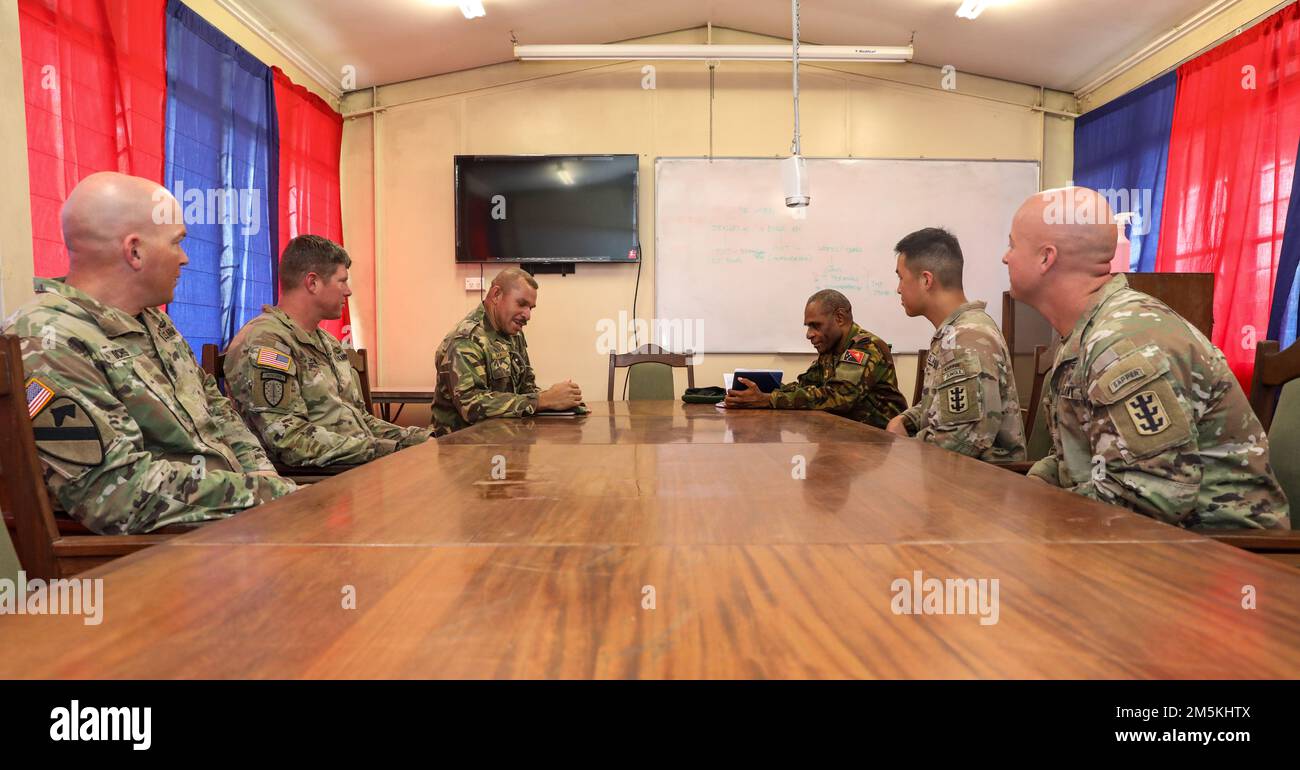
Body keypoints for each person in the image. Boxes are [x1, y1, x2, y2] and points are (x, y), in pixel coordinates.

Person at [4, 172, 295, 534]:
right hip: (155, 558)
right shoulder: (46, 340)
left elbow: (217, 410)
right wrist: (267, 495)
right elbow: (115, 494)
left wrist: (262, 474)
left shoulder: (155, 324)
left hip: (231, 521)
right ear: (135, 251)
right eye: (177, 243)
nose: (185, 258)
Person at [1004, 186, 1288, 529]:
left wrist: (1039, 522)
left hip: (1218, 557)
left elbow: (1148, 499)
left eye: (1012, 245)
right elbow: (1074, 461)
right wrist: (1030, 495)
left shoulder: (1125, 344)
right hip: (1148, 543)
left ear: (1046, 258)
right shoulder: (1087, 335)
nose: (1006, 257)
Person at [225, 235, 432, 466]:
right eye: (342, 281)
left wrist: (420, 439)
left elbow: (361, 422)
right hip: (315, 482)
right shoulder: (267, 342)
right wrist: (388, 450)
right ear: (312, 283)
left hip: (355, 465)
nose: (348, 291)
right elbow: (291, 441)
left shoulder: (328, 342)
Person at [885, 227, 1026, 463]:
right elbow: (946, 405)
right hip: (955, 478)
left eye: (901, 277)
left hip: (980, 486)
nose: (898, 288)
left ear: (926, 280)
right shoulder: (956, 332)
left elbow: (959, 440)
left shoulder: (967, 339)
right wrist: (905, 420)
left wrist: (903, 450)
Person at [432, 268, 583, 436]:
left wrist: (560, 402)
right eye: (522, 304)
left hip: (504, 442)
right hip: (460, 448)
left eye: (531, 308)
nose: (528, 315)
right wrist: (542, 400)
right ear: (496, 295)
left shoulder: (512, 334)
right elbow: (472, 407)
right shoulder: (466, 340)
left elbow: (527, 388)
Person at [724, 289, 906, 428]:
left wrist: (768, 399)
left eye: (815, 325)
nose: (809, 334)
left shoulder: (865, 347)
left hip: (877, 441)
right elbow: (805, 386)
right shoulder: (831, 348)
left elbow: (839, 397)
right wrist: (755, 392)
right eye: (808, 326)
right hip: (842, 433)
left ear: (840, 318)